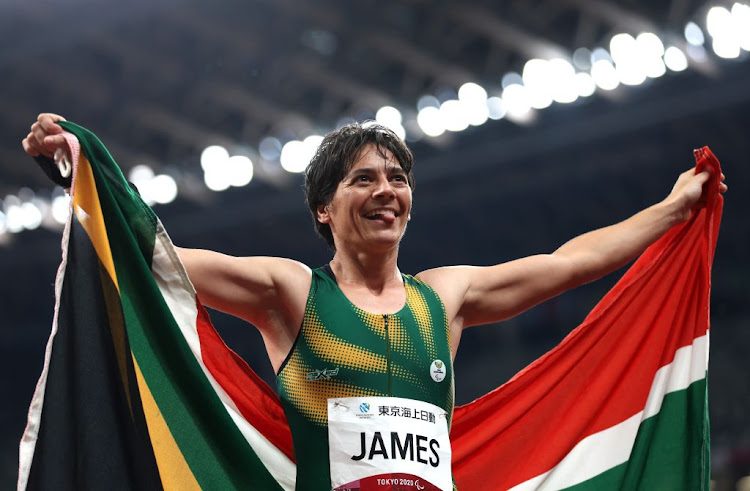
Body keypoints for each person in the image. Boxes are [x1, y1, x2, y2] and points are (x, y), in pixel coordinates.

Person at [22, 113, 726, 490]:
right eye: (364, 179)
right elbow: (157, 263)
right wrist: (82, 175)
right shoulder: (291, 292)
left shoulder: (445, 298)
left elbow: (570, 264)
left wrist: (671, 209)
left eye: (397, 178)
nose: (387, 190)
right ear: (325, 207)